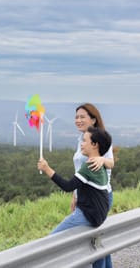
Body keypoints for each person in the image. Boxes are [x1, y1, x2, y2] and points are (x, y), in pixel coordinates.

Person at [37, 126, 112, 268]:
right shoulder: (99, 163)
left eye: (84, 141)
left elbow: (68, 186)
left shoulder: (89, 165)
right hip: (98, 217)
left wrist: (47, 169)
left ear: (95, 145)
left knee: (48, 243)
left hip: (85, 215)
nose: (81, 144)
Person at [73, 103, 115, 267]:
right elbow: (79, 171)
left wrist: (102, 159)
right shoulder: (82, 140)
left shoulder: (100, 138)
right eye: (76, 117)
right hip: (83, 196)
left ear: (93, 119)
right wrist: (74, 195)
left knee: (94, 240)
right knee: (97, 239)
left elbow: (111, 163)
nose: (78, 120)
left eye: (82, 116)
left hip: (98, 196)